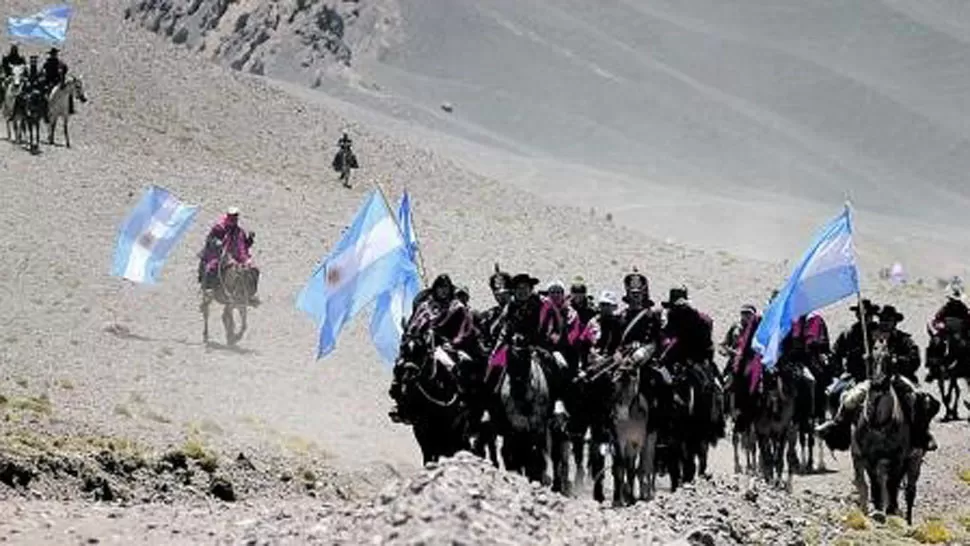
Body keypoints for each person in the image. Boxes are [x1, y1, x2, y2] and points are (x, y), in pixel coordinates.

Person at [816, 305, 937, 451]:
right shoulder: (869, 339)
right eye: (882, 319)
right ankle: (839, 431)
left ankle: (922, 435)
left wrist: (895, 361)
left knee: (919, 399)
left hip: (897, 378)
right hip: (872, 380)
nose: (885, 323)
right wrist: (864, 360)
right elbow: (853, 359)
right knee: (847, 399)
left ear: (895, 322)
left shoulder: (904, 339)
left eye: (889, 320)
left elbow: (914, 360)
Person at [197, 207, 259, 304]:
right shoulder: (219, 228)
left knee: (254, 269)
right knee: (212, 267)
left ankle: (250, 293)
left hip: (238, 255)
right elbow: (210, 239)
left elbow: (244, 245)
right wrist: (217, 242)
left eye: (235, 217)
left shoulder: (239, 232)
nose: (233, 220)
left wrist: (250, 239)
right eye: (232, 217)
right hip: (221, 253)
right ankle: (209, 289)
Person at [925, 287, 970, 381]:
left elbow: (968, 322)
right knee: (935, 342)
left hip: (960, 334)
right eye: (953, 299)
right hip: (946, 332)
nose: (955, 302)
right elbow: (936, 320)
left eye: (956, 300)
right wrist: (940, 325)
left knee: (966, 345)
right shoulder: (945, 309)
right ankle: (932, 369)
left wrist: (964, 330)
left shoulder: (964, 310)